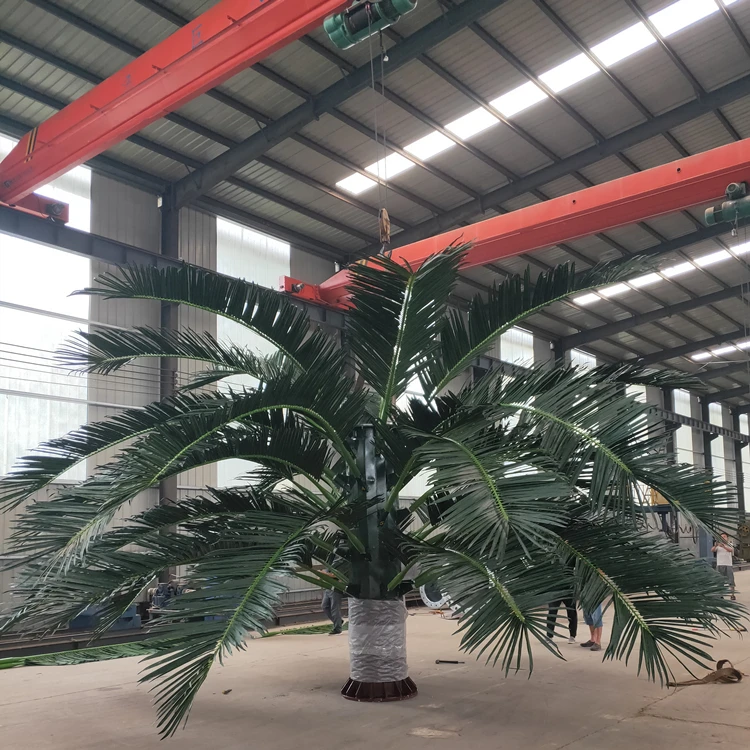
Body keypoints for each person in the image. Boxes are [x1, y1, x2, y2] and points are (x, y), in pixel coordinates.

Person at [712, 533, 736, 601]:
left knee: (731, 580)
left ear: (727, 538)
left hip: (728, 565)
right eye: (721, 537)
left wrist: (723, 546)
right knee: (720, 580)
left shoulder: (730, 544)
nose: (723, 538)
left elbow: (730, 550)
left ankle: (732, 594)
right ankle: (720, 595)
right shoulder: (718, 545)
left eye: (724, 536)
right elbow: (712, 550)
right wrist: (715, 545)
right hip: (720, 564)